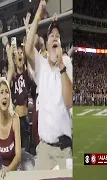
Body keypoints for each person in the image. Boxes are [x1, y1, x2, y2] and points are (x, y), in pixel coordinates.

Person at [24, 0, 72, 170]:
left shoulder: (66, 63)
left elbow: (69, 101)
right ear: (46, 42)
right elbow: (28, 48)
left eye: (57, 36)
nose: (54, 37)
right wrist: (39, 13)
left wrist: (61, 67)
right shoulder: (42, 66)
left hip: (63, 150)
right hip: (44, 149)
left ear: (60, 44)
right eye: (51, 35)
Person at [3, 34, 32, 153]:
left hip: (25, 119)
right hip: (15, 120)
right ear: (14, 60)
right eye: (17, 53)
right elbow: (10, 66)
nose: (19, 54)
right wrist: (7, 46)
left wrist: (26, 41)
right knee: (17, 152)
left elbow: (29, 57)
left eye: (21, 53)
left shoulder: (27, 74)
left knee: (27, 152)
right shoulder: (13, 76)